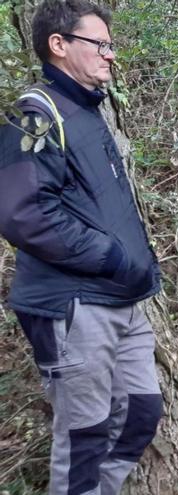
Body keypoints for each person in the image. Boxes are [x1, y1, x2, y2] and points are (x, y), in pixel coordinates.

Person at [0, 1, 163, 493]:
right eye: (101, 44)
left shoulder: (87, 113)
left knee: (141, 412)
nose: (111, 56)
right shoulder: (34, 113)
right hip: (74, 304)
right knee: (84, 437)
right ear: (59, 45)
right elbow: (24, 213)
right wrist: (113, 260)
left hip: (124, 300)